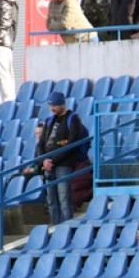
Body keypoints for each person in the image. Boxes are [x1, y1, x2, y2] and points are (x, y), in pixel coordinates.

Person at [33, 91, 85, 225]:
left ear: (62, 104)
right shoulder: (48, 121)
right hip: (48, 165)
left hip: (64, 165)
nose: (52, 109)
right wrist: (43, 160)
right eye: (50, 106)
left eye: (54, 106)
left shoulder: (73, 119)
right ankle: (56, 228)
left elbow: (73, 144)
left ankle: (66, 228)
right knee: (51, 200)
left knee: (64, 198)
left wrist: (53, 161)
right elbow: (40, 144)